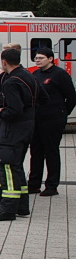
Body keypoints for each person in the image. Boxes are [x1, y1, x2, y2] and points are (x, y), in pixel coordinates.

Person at [0, 47, 38, 221]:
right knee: (16, 166)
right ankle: (22, 206)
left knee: (7, 166)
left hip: (12, 130)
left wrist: (1, 112)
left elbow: (14, 110)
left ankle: (7, 208)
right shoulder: (29, 76)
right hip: (27, 126)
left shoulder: (10, 82)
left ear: (4, 62)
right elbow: (42, 98)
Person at [28, 48, 76, 196]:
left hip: (53, 119)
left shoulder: (59, 74)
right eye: (36, 58)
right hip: (37, 118)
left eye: (41, 58)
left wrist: (62, 113)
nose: (37, 60)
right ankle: (34, 184)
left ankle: (52, 185)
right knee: (36, 151)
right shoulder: (35, 74)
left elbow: (71, 97)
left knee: (51, 151)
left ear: (50, 59)